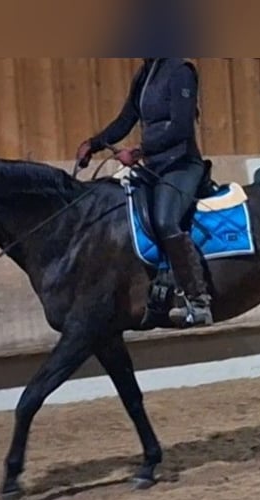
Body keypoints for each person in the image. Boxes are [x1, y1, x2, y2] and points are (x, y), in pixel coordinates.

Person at [76, 58, 213, 327]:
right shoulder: (145, 74)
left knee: (165, 220)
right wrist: (94, 144)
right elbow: (126, 119)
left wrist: (139, 151)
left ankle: (198, 300)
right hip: (155, 168)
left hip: (182, 165)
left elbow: (181, 127)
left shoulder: (181, 71)